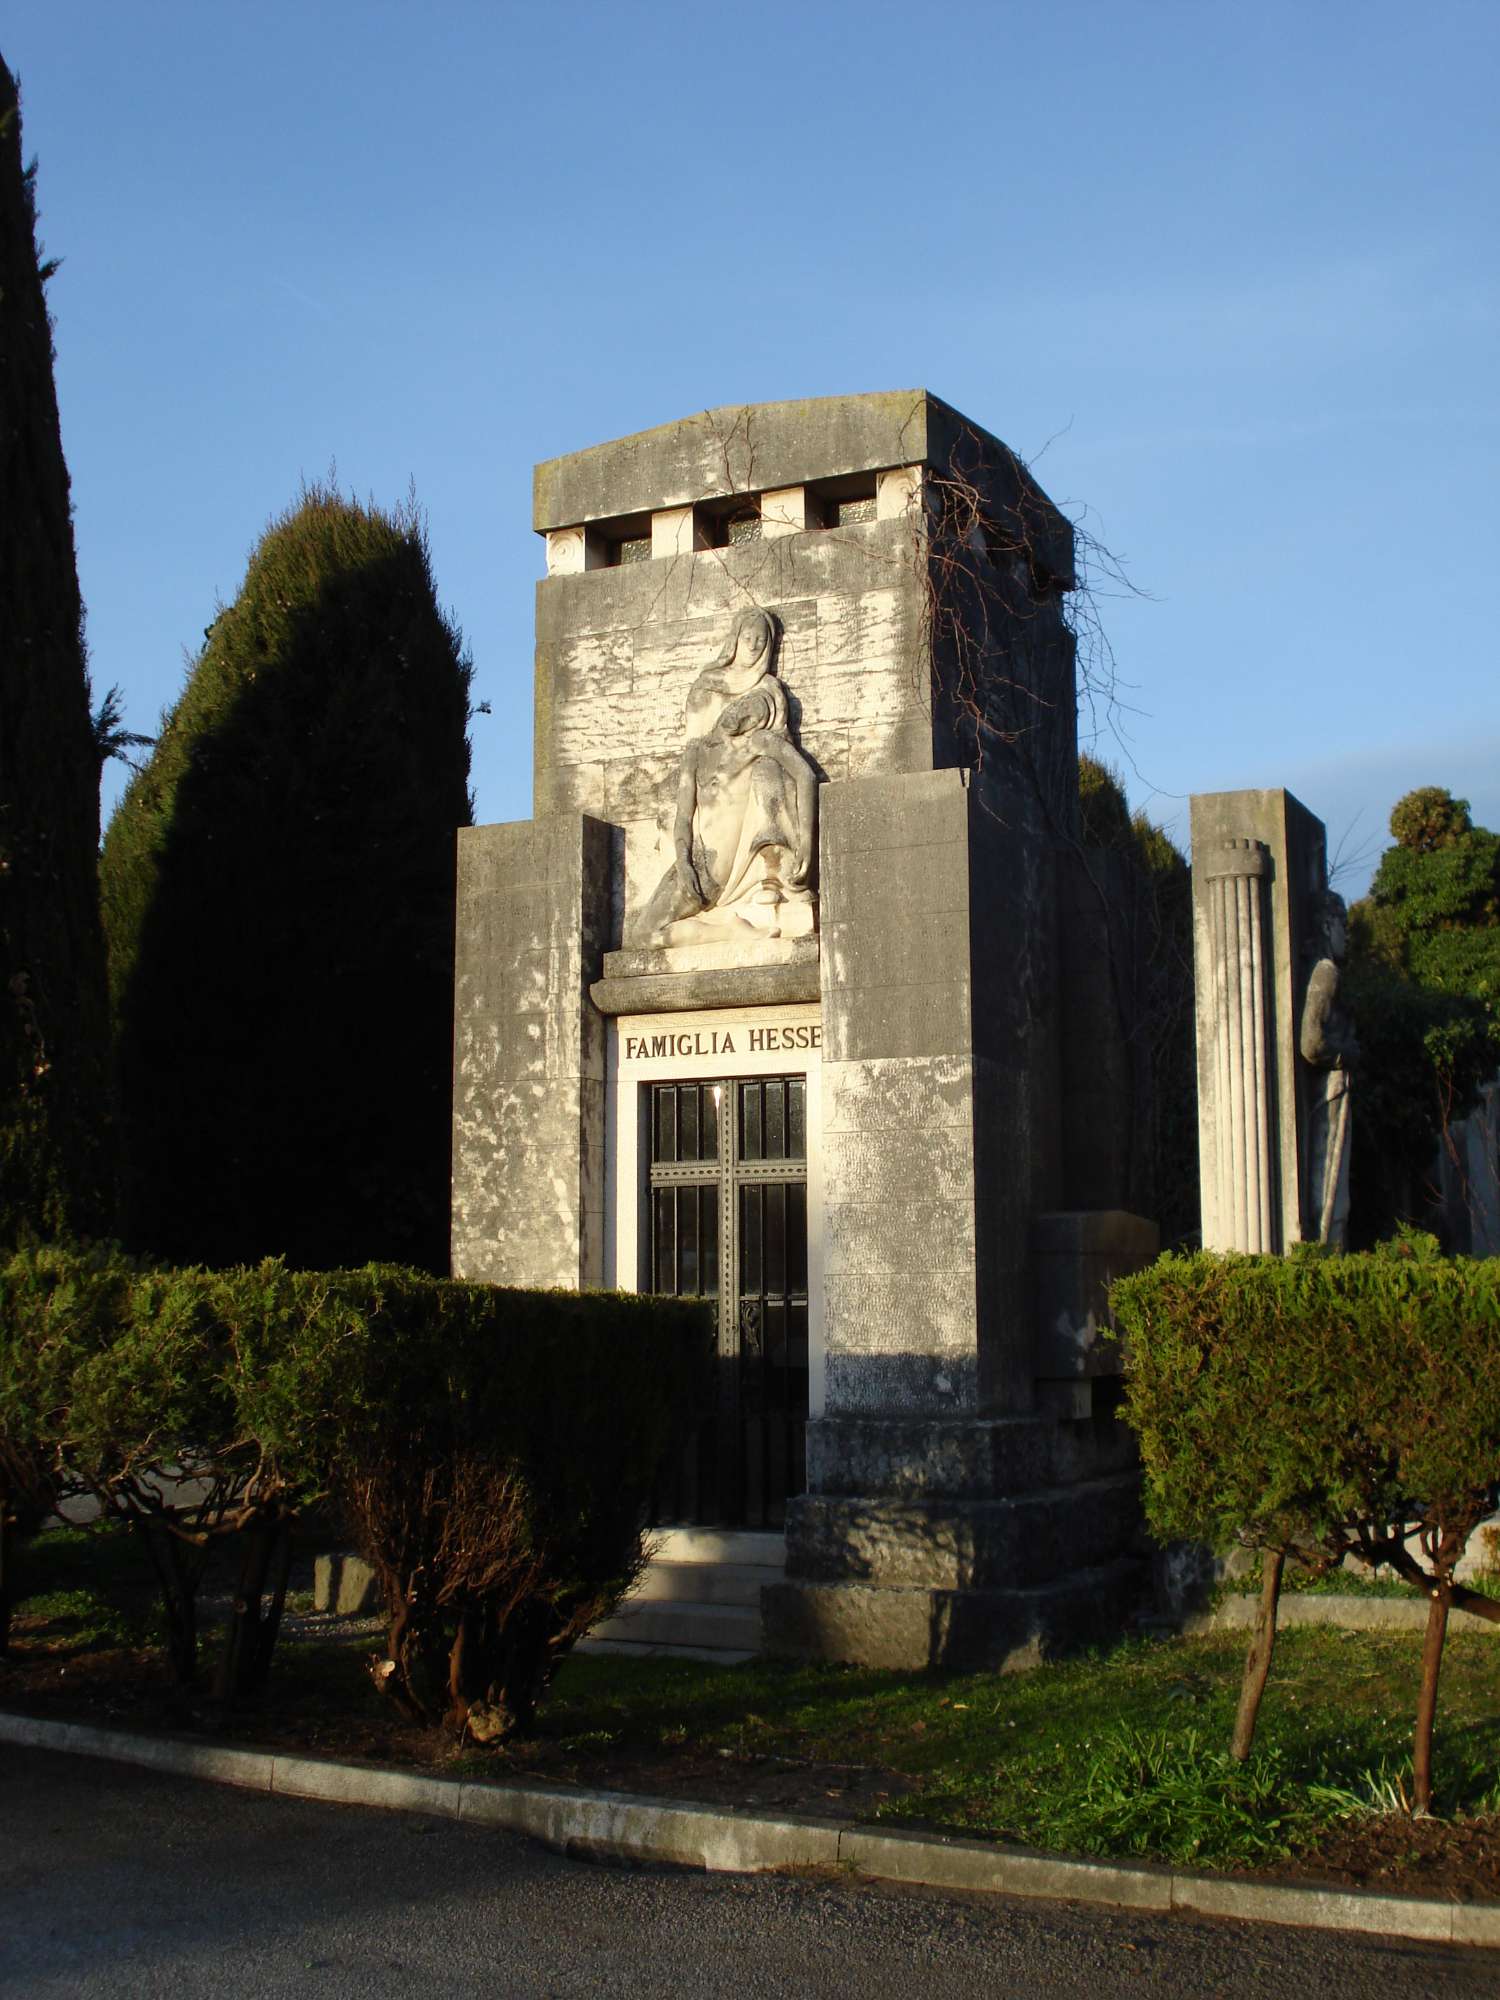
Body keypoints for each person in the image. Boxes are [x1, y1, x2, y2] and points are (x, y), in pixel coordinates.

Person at [635, 609, 817, 947]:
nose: (742, 713)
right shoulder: (696, 751)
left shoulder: (757, 744)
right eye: (742, 706)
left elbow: (804, 776)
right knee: (643, 935)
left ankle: (737, 920)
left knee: (646, 936)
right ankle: (726, 929)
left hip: (716, 865)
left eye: (755, 713)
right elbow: (682, 816)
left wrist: (805, 841)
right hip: (693, 858)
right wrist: (682, 860)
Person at [1299, 889, 1358, 1246]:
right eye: (1343, 925)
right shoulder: (1326, 972)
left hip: (1331, 1087)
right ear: (1326, 925)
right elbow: (1312, 1042)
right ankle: (1326, 1259)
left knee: (1334, 1194)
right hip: (1331, 1089)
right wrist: (1347, 1052)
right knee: (1332, 1196)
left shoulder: (1323, 971)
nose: (1347, 935)